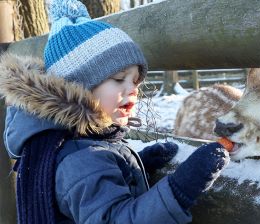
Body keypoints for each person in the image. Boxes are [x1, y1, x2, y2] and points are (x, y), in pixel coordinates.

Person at [0, 0, 230, 223]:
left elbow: (93, 193)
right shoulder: (82, 159)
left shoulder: (73, 143)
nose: (132, 89)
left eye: (136, 81)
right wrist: (180, 188)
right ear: (78, 88)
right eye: (119, 79)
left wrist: (136, 166)